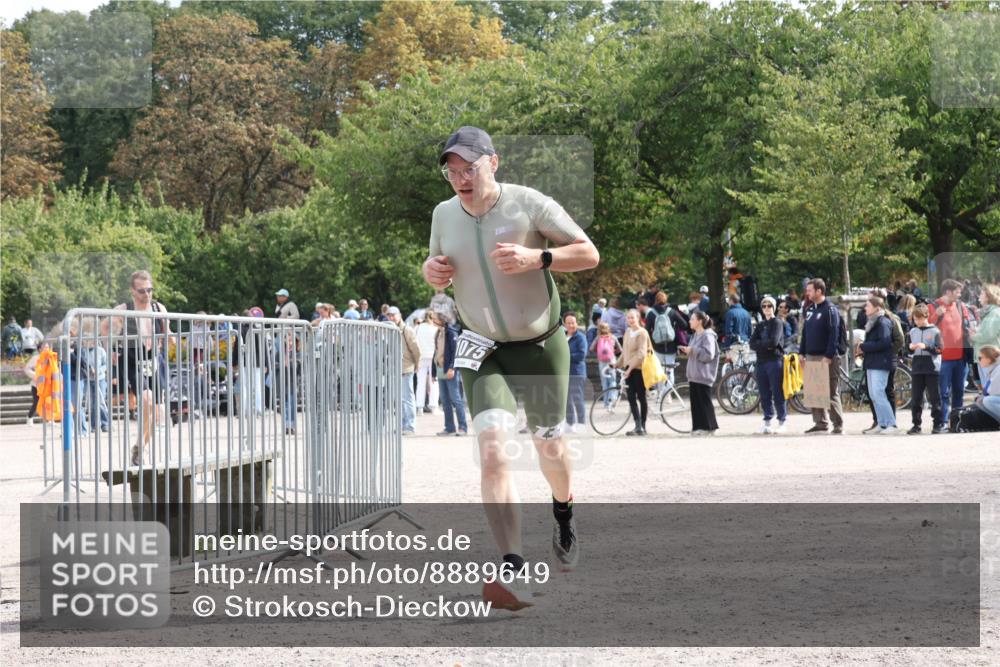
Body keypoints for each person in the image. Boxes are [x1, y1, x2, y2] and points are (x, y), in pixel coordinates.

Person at [422, 125, 599, 610]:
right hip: (483, 348)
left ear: (493, 163)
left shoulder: (529, 203)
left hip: (540, 346)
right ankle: (512, 567)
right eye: (451, 170)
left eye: (469, 168)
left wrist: (538, 257)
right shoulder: (443, 213)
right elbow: (436, 266)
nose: (460, 178)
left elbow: (588, 253)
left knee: (549, 444)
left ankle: (563, 512)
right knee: (494, 452)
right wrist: (429, 271)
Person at [104, 270, 170, 465]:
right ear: (133, 291)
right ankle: (141, 448)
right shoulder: (124, 309)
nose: (146, 294)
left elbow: (167, 329)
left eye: (149, 290)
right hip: (133, 361)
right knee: (147, 400)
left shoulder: (159, 308)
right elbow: (105, 329)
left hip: (154, 361)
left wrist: (171, 338)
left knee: (158, 413)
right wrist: (110, 350)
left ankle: (141, 447)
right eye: (142, 291)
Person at [799, 278, 844, 435]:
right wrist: (801, 353)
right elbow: (805, 333)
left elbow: (834, 333)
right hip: (811, 355)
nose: (807, 293)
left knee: (830, 391)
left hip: (826, 357)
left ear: (819, 291)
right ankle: (820, 422)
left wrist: (829, 355)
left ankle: (837, 424)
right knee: (813, 391)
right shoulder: (810, 310)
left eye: (810, 290)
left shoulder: (830, 310)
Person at [928, 278, 975, 426]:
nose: (959, 295)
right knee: (943, 392)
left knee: (959, 391)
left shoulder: (960, 306)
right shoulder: (933, 306)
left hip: (961, 357)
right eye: (957, 292)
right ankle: (942, 422)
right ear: (948, 292)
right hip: (943, 358)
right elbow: (926, 327)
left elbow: (968, 324)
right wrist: (936, 315)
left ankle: (956, 421)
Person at [857, 296, 898, 434]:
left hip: (881, 362)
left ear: (877, 308)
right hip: (872, 362)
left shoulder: (883, 322)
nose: (865, 308)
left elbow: (885, 342)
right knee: (873, 394)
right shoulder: (873, 322)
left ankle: (891, 424)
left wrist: (864, 346)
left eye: (868, 305)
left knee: (879, 393)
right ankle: (882, 423)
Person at [749, 296, 786, 434]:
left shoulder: (777, 323)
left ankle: (782, 421)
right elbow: (751, 343)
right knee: (764, 393)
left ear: (774, 307)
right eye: (764, 306)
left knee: (777, 392)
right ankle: (767, 421)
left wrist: (761, 345)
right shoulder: (760, 325)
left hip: (774, 361)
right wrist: (764, 345)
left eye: (769, 305)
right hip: (761, 361)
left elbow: (774, 342)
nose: (766, 308)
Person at [679, 310, 719, 435]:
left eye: (692, 319)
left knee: (704, 402)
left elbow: (709, 355)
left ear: (700, 321)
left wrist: (693, 350)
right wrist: (688, 350)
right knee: (696, 403)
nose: (689, 321)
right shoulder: (695, 335)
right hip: (694, 374)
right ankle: (698, 427)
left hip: (703, 374)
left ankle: (710, 427)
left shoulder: (708, 335)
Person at [907, 303, 945, 434]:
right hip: (917, 367)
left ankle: (938, 424)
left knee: (935, 397)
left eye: (919, 319)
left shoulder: (935, 331)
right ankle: (916, 425)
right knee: (916, 398)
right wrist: (910, 347)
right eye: (915, 319)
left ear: (926, 317)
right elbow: (908, 349)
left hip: (932, 368)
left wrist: (927, 347)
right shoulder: (912, 331)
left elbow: (940, 349)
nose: (917, 322)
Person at [431, 310, 467, 436]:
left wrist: (452, 368)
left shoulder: (451, 332)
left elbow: (455, 352)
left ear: (441, 319)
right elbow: (436, 352)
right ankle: (449, 427)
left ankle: (463, 427)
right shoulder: (438, 333)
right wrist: (433, 372)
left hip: (450, 370)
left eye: (434, 318)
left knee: (456, 399)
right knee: (445, 400)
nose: (432, 320)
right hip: (440, 369)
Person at [617, 309, 651, 436]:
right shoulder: (627, 332)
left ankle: (643, 426)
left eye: (632, 317)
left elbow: (641, 353)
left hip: (639, 369)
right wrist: (617, 363)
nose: (630, 320)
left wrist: (630, 368)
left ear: (638, 318)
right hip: (629, 369)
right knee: (631, 397)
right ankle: (637, 425)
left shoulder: (642, 333)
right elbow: (625, 352)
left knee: (641, 397)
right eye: (628, 318)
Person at [644, 291, 689, 388]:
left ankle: (661, 394)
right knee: (670, 371)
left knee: (659, 370)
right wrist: (674, 328)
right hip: (671, 346)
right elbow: (684, 325)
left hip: (656, 347)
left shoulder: (651, 313)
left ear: (655, 300)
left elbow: (646, 331)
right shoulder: (672, 311)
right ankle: (668, 394)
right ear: (666, 299)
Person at [389, 306, 422, 436]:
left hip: (406, 367)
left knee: (408, 398)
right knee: (400, 399)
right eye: (389, 316)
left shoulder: (407, 330)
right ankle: (403, 425)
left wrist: (417, 364)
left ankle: (410, 426)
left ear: (399, 315)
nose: (391, 318)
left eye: (393, 315)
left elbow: (416, 349)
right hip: (395, 368)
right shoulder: (391, 330)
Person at [971, 284, 1000, 385]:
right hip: (986, 356)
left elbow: (987, 335)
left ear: (989, 296)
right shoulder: (990, 313)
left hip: (990, 357)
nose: (979, 296)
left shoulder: (994, 313)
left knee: (989, 389)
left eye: (982, 293)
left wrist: (972, 335)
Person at [563, 312, 587, 433]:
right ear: (564, 324)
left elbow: (581, 355)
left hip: (577, 372)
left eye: (573, 322)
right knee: (566, 399)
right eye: (569, 323)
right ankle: (570, 422)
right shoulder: (562, 336)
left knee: (578, 398)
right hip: (564, 373)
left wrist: (565, 356)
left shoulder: (581, 337)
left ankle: (581, 423)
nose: (571, 325)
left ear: (576, 323)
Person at [590, 322, 621, 407]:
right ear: (609, 329)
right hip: (612, 360)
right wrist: (614, 351)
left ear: (599, 330)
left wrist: (599, 351)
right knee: (613, 380)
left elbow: (591, 348)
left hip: (602, 362)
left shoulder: (598, 338)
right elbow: (620, 349)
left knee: (604, 382)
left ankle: (606, 403)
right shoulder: (613, 337)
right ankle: (612, 398)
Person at [415, 311, 440, 414]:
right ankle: (434, 406)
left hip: (421, 356)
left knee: (420, 383)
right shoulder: (436, 329)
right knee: (434, 382)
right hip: (433, 357)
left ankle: (419, 407)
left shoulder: (418, 327)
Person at [974, 345, 1000, 424]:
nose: (979, 361)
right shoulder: (993, 368)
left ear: (989, 358)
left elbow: (994, 392)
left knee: (988, 400)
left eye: (980, 358)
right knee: (980, 401)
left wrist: (983, 396)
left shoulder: (998, 369)